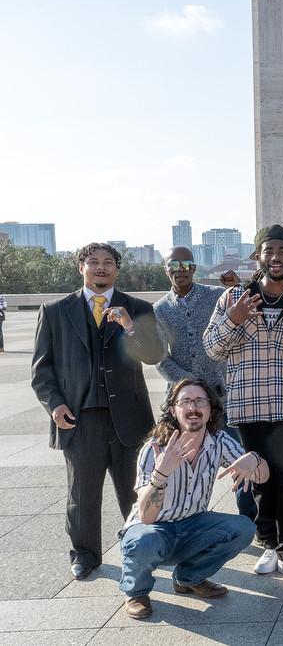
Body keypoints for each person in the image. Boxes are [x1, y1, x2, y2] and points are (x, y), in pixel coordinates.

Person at [31, 242, 164, 579]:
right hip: (79, 417)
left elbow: (153, 354)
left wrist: (130, 328)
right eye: (93, 262)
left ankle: (141, 548)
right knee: (82, 493)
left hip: (130, 419)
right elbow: (41, 370)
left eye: (108, 262)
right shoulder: (56, 311)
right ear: (81, 268)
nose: (101, 268)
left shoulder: (137, 307)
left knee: (136, 490)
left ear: (117, 269)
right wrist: (55, 405)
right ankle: (85, 555)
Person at [204, 225, 283, 584]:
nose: (276, 257)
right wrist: (233, 320)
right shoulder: (233, 299)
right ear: (258, 255)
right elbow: (212, 348)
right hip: (249, 407)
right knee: (258, 480)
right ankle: (269, 545)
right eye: (269, 251)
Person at [118, 379, 266, 619]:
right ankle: (136, 592)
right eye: (185, 401)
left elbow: (263, 476)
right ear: (174, 410)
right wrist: (161, 474)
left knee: (243, 528)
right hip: (153, 527)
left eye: (200, 401)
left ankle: (188, 578)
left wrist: (255, 459)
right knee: (143, 542)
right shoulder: (155, 449)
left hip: (192, 525)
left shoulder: (218, 441)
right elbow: (146, 516)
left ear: (211, 409)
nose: (193, 407)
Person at [154, 247, 255, 519]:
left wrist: (237, 286)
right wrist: (190, 386)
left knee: (239, 458)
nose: (181, 269)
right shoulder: (159, 310)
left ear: (194, 268)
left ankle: (251, 520)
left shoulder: (215, 297)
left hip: (224, 398)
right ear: (166, 269)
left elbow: (244, 316)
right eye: (174, 264)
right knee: (180, 462)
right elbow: (160, 359)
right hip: (183, 405)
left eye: (186, 263)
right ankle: (181, 518)